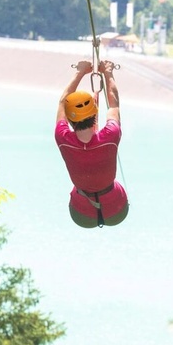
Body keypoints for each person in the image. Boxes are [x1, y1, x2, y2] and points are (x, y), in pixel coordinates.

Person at [55, 59, 129, 228]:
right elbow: (114, 103)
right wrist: (108, 71)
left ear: (70, 119)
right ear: (95, 113)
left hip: (82, 214)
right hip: (116, 208)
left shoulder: (62, 138)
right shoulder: (110, 135)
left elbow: (62, 102)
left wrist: (79, 72)